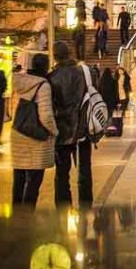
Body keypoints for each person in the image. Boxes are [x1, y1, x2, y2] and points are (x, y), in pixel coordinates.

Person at [10, 54, 58, 209]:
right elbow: (46, 116)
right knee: (34, 180)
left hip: (18, 133)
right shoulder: (43, 85)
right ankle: (28, 215)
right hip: (35, 138)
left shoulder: (20, 82)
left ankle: (17, 214)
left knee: (19, 178)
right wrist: (54, 131)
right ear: (46, 66)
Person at [48, 41, 90, 207]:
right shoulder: (83, 73)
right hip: (83, 127)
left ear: (55, 55)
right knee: (84, 170)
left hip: (62, 129)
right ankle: (87, 205)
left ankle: (63, 207)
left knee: (62, 173)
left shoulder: (52, 77)